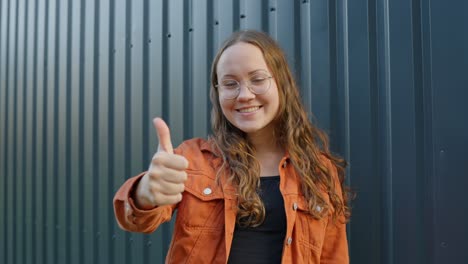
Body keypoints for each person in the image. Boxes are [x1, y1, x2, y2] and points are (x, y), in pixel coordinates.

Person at [114, 30, 351, 263]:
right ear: (218, 93)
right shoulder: (193, 160)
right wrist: (144, 193)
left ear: (282, 84)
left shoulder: (319, 171)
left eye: (257, 79)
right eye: (230, 84)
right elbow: (138, 218)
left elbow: (333, 257)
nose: (244, 95)